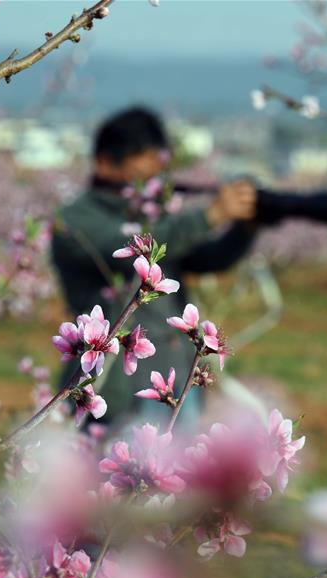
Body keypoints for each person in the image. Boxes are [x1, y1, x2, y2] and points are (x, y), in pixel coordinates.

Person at [51, 106, 260, 431]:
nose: (153, 183)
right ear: (104, 162)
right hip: (118, 393)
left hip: (177, 382)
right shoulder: (74, 220)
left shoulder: (155, 219)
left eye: (157, 172)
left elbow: (206, 258)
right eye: (141, 172)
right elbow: (127, 248)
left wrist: (246, 228)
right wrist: (210, 216)